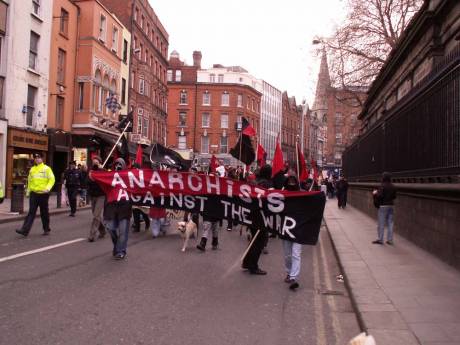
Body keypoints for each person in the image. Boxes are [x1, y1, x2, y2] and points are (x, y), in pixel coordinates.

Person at [242, 164, 272, 275]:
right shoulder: (267, 184)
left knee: (253, 240)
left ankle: (246, 262)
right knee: (259, 242)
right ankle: (253, 266)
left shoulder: (255, 182)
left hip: (252, 215)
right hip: (261, 217)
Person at [16, 153, 55, 237]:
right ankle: (25, 230)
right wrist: (27, 192)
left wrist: (48, 188)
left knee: (44, 212)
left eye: (39, 157)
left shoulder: (46, 168)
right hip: (34, 194)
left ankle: (46, 229)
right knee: (31, 212)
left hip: (43, 194)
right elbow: (29, 181)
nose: (37, 159)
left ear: (42, 159)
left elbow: (52, 179)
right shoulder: (32, 169)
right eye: (35, 158)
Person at [104, 158, 131, 259]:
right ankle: (117, 245)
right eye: (116, 164)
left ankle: (121, 251)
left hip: (125, 206)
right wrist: (94, 174)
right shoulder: (110, 177)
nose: (117, 166)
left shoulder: (129, 177)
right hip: (112, 206)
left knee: (123, 231)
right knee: (110, 228)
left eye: (120, 164)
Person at [282, 175, 303, 290]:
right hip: (286, 228)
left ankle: (293, 277)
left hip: (298, 229)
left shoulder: (302, 195)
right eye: (289, 181)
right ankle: (289, 272)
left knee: (296, 254)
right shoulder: (282, 194)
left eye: (293, 181)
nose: (291, 183)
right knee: (287, 255)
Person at [372, 172, 397, 245]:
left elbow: (380, 196)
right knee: (390, 223)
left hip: (383, 206)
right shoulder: (393, 186)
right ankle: (390, 240)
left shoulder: (382, 186)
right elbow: (394, 196)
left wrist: (375, 193)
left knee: (381, 223)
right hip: (391, 206)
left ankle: (380, 239)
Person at [87, 156, 106, 242]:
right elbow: (87, 182)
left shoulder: (103, 171)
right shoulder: (90, 172)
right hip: (93, 195)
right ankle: (102, 230)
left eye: (96, 162)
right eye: (93, 162)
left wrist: (101, 171)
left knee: (96, 215)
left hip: (101, 196)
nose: (95, 163)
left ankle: (92, 234)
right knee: (96, 215)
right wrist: (90, 177)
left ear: (100, 163)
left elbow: (106, 181)